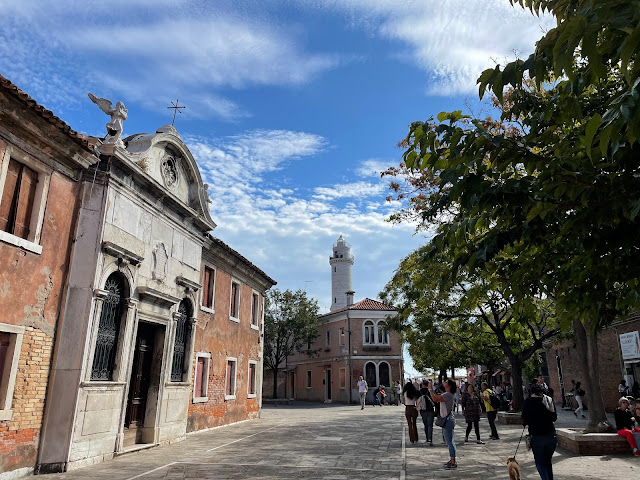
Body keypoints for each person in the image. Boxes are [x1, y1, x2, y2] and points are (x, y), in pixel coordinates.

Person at [522, 382, 558, 480]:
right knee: (547, 461)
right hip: (551, 435)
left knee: (540, 462)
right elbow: (554, 418)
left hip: (537, 436)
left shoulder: (528, 402)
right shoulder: (548, 400)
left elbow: (524, 418)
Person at [430, 378, 457, 470]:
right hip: (449, 420)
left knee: (449, 441)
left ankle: (453, 462)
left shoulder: (448, 395)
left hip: (448, 420)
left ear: (449, 385)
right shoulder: (448, 394)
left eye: (446, 382)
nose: (444, 383)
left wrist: (430, 389)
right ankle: (452, 460)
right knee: (449, 441)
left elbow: (435, 399)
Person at [419, 380, 435, 445]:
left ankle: (427, 438)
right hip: (430, 409)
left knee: (425, 425)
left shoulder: (419, 392)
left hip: (423, 410)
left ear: (422, 385)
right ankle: (430, 439)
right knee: (430, 425)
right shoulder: (430, 392)